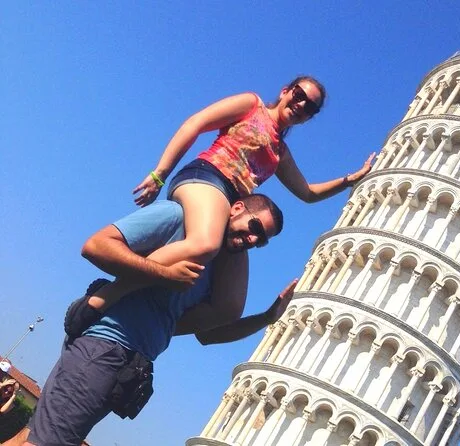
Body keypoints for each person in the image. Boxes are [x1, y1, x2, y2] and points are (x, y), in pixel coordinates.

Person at [65, 75, 374, 336]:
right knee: (205, 243)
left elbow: (307, 192)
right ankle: (105, 298)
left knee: (229, 307)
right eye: (299, 95)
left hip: (232, 204)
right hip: (207, 177)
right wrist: (160, 173)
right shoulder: (252, 105)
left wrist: (350, 179)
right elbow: (196, 123)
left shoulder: (281, 152)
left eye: (311, 107)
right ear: (285, 91)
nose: (302, 105)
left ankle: (154, 329)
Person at [25, 195, 295, 446]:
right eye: (255, 227)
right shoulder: (176, 217)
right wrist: (164, 274)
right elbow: (96, 246)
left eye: (261, 240)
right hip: (105, 346)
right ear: (236, 208)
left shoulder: (218, 269)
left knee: (31, 438)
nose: (252, 239)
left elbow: (208, 335)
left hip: (128, 365)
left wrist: (267, 317)